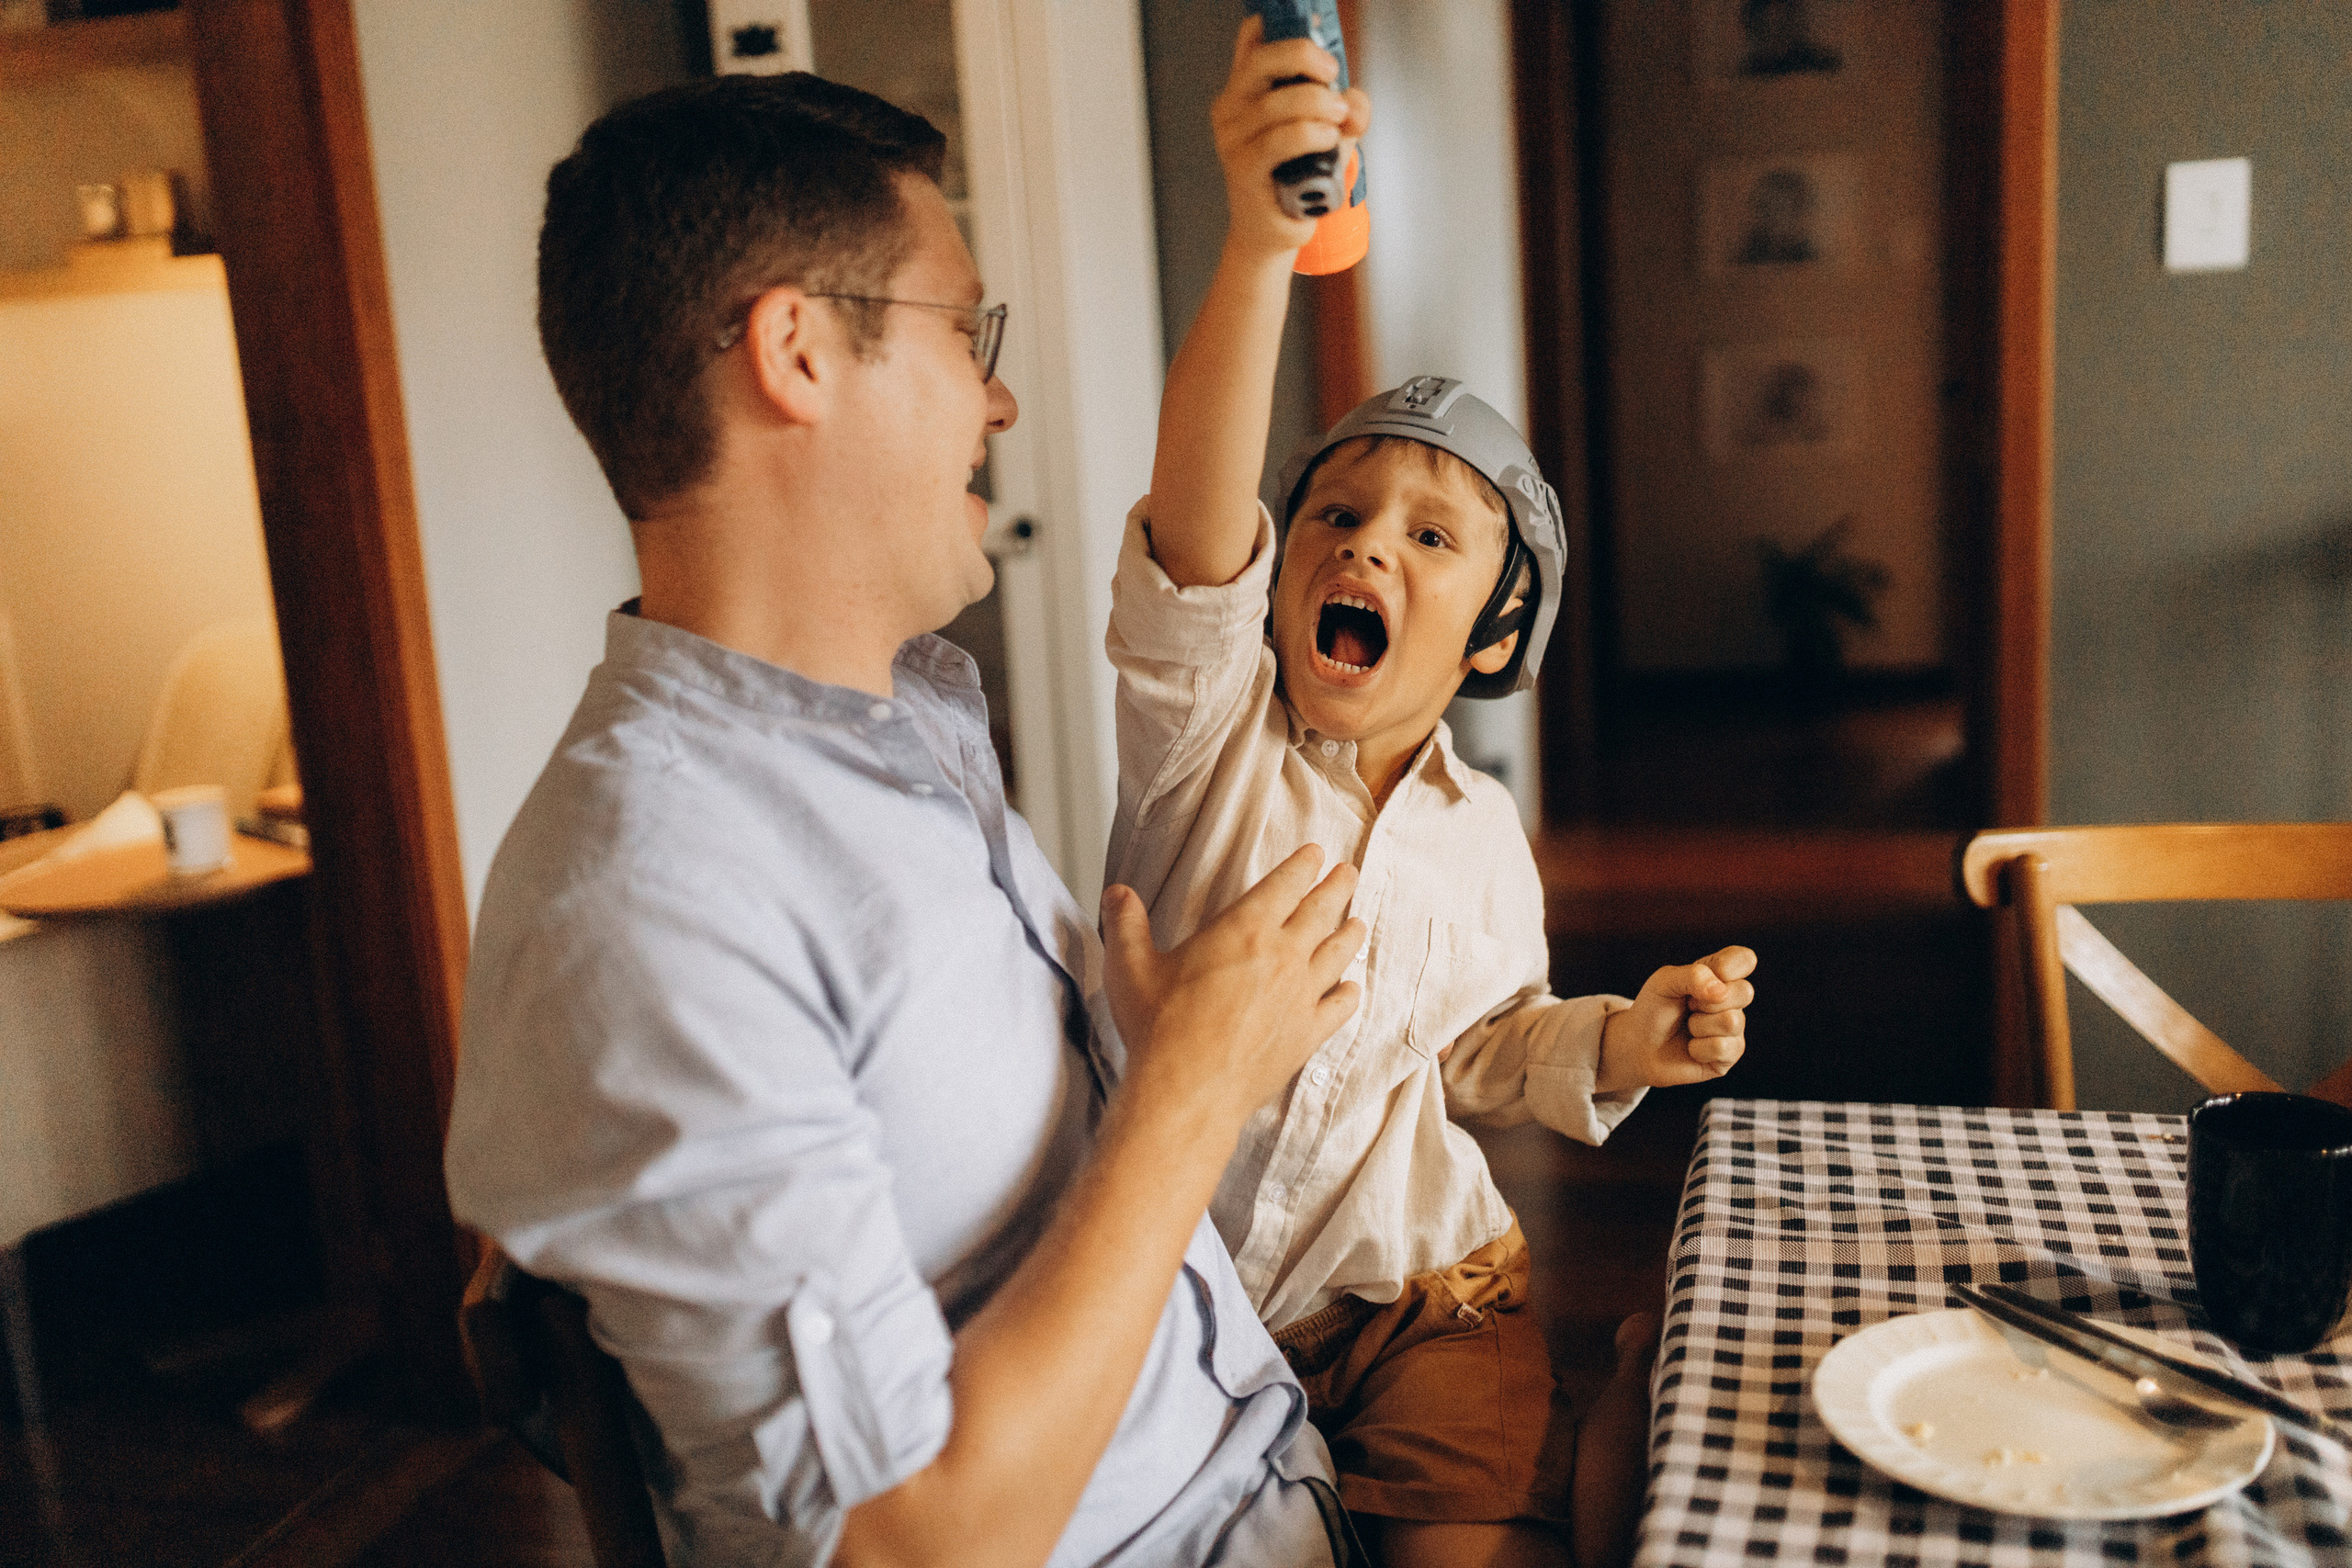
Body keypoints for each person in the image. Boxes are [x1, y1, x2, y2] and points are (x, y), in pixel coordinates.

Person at [445, 71, 1380, 1567]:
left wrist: (1145, 1054)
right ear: (798, 351)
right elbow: (905, 1546)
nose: (998, 399)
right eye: (969, 332)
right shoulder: (646, 901)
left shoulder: (908, 720)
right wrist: (1188, 1092)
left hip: (1280, 1473)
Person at [1104, 24, 1758, 1568]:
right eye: (1334, 511)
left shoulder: (1480, 842)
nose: (1368, 547)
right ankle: (1594, 1431)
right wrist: (1265, 247)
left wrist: (1625, 1040)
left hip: (1423, 1299)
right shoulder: (1208, 740)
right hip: (1175, 1298)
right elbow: (1197, 528)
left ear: (1494, 636)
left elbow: (1480, 1048)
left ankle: (1586, 1433)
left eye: (1431, 538)